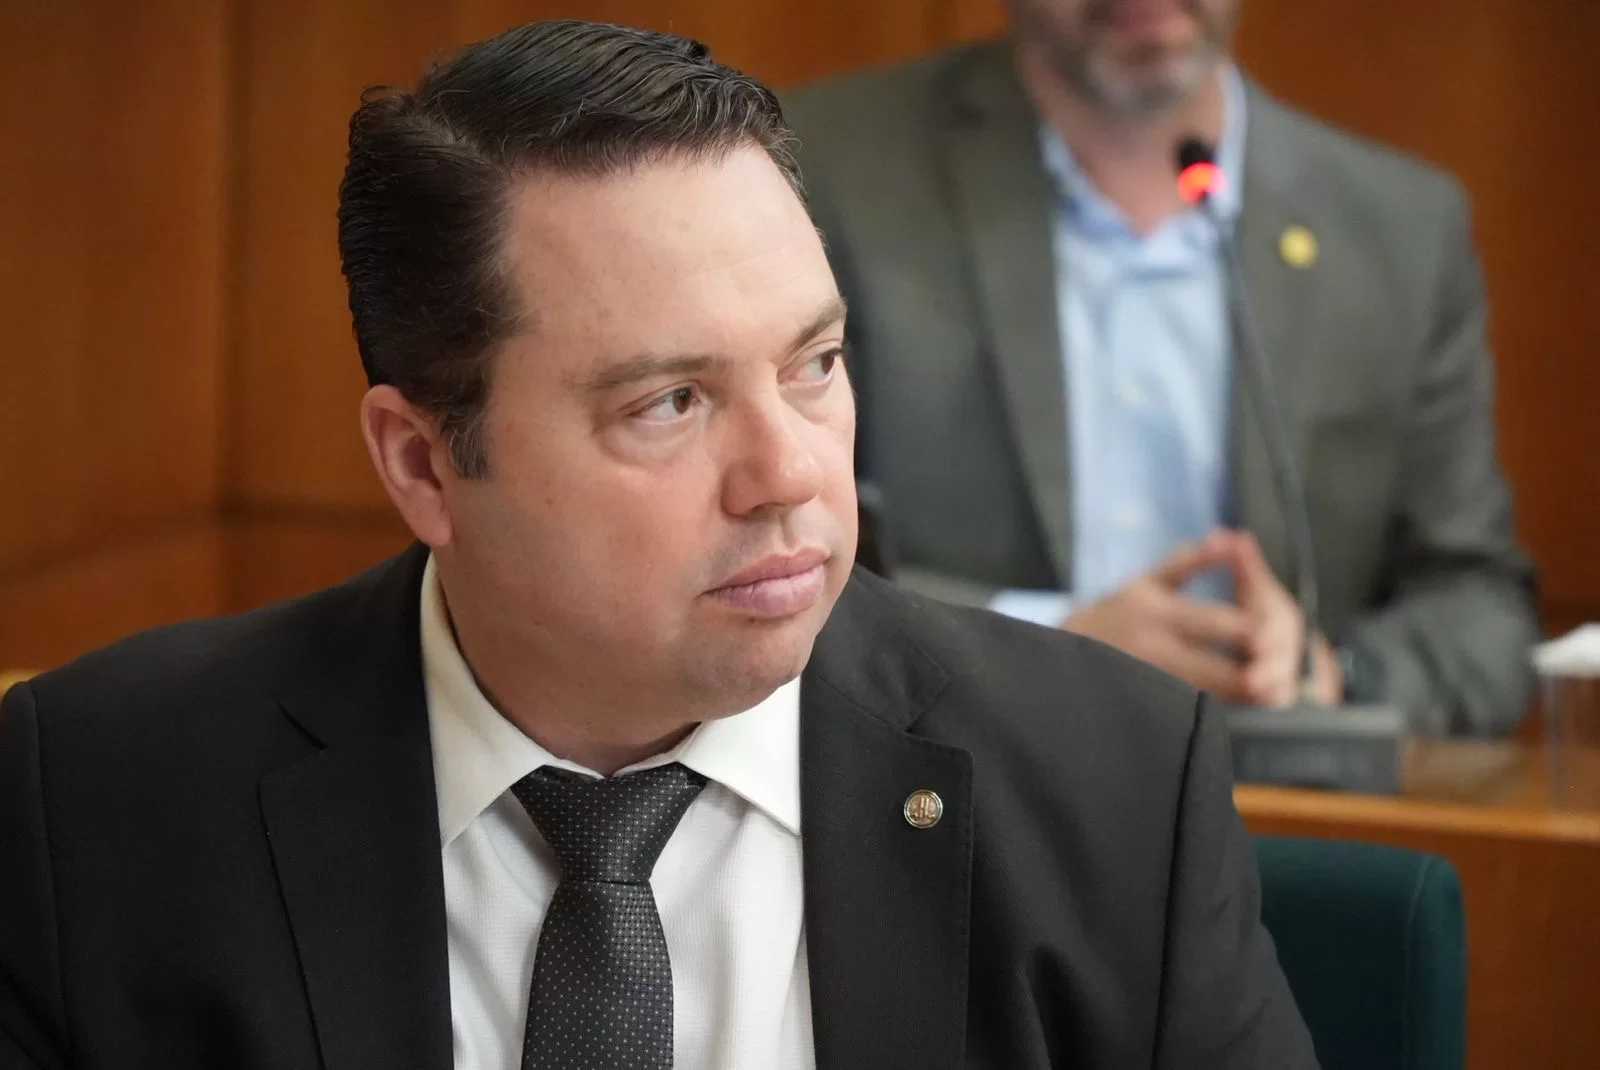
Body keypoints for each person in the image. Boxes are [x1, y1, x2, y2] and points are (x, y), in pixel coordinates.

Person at [0, 20, 1317, 1070]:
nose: (791, 471)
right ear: (422, 463)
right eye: (669, 402)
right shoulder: (91, 802)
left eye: (815, 362)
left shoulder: (1116, 788)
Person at [784, 0, 1539, 735]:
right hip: (957, 771)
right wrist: (1052, 645)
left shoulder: (1399, 232)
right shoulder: (826, 172)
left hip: (1282, 788)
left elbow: (1481, 612)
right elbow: (774, 555)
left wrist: (1329, 671)